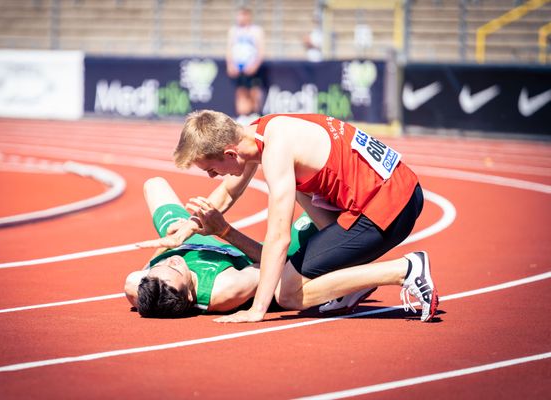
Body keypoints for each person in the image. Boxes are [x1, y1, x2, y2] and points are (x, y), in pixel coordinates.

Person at [173, 110, 439, 323]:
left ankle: (405, 270)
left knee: (287, 292)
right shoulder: (261, 130)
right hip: (399, 189)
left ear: (230, 153)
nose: (211, 176)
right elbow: (229, 192)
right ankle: (351, 282)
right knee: (299, 188)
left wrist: (257, 309)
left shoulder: (276, 152)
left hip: (390, 207)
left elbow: (279, 237)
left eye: (210, 169)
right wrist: (189, 227)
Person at [124, 176, 319, 317]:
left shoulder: (137, 285)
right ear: (191, 295)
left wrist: (167, 244)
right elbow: (276, 264)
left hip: (192, 242)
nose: (174, 259)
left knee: (154, 185)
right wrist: (224, 231)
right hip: (254, 257)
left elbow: (155, 184)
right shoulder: (226, 287)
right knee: (321, 209)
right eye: (177, 268)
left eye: (161, 266)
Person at [226, 6, 265, 121]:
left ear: (249, 16)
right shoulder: (234, 31)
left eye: (243, 15)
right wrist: (230, 64)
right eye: (239, 15)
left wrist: (255, 65)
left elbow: (260, 50)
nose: (240, 18)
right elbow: (229, 49)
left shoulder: (256, 31)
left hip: (251, 66)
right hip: (238, 66)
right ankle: (243, 115)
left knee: (254, 91)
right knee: (241, 91)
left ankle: (255, 113)